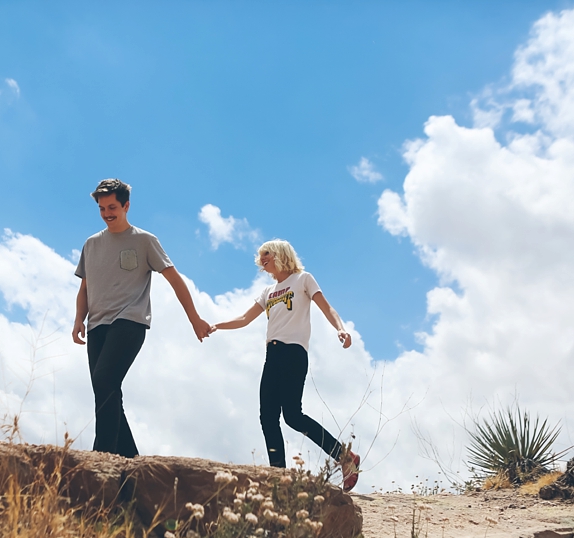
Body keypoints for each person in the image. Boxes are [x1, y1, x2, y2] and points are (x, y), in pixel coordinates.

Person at [73, 178, 212, 458]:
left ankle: (101, 458)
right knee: (106, 393)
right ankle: (131, 465)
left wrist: (194, 318)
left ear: (126, 206)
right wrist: (79, 319)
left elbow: (175, 279)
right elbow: (84, 288)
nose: (107, 213)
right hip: (97, 325)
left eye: (112, 207)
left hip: (130, 322)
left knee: (104, 381)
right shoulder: (91, 244)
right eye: (101, 208)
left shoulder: (145, 241)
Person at [211, 239, 360, 490]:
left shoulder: (303, 279)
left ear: (281, 254)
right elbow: (245, 318)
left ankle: (345, 457)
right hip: (272, 354)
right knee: (267, 417)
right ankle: (278, 477)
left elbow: (327, 307)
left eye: (266, 254)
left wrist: (341, 330)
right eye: (260, 256)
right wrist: (215, 325)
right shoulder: (267, 292)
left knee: (292, 415)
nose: (262, 259)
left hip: (294, 353)